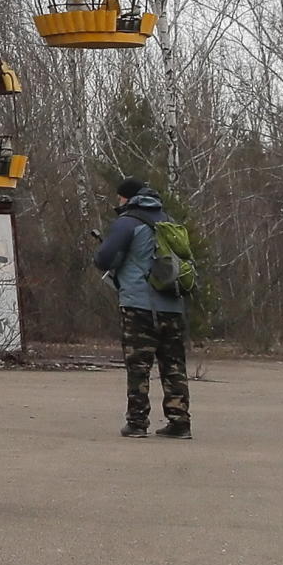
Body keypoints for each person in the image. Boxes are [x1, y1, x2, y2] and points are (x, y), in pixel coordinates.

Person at [93, 176, 193, 439]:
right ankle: (179, 421)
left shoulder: (127, 223)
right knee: (173, 364)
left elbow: (103, 259)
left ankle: (137, 422)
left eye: (119, 198)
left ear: (127, 198)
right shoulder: (168, 220)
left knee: (138, 365)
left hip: (139, 305)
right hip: (172, 304)